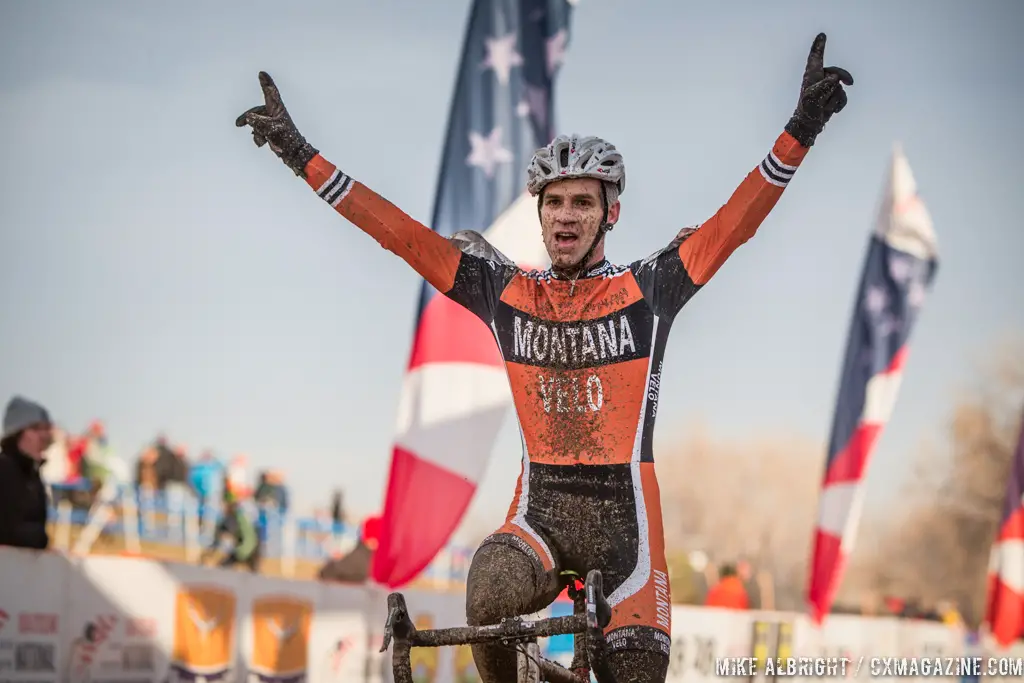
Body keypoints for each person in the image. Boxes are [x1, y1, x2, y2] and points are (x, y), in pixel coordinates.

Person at [236, 33, 852, 683]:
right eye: (553, 201)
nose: (565, 215)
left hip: (630, 543)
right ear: (539, 212)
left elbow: (734, 224)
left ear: (611, 212)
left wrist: (800, 127)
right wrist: (300, 154)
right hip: (539, 519)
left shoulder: (649, 287)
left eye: (582, 201)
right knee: (487, 590)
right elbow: (400, 235)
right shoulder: (505, 292)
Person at [0, 396, 55, 550]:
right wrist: (38, 537)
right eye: (36, 428)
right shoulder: (4, 471)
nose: (44, 436)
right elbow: (8, 532)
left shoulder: (33, 476)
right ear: (17, 433)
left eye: (46, 429)